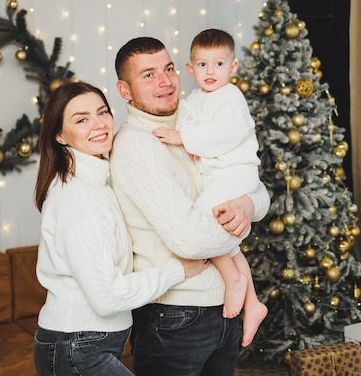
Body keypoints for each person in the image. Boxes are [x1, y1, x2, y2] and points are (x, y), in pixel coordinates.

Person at [110, 37, 270, 376]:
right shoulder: (136, 146)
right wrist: (246, 216)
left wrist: (246, 204)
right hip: (175, 316)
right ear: (125, 91)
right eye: (149, 75)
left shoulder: (198, 119)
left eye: (168, 69)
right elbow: (192, 242)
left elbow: (254, 183)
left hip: (222, 310)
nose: (166, 81)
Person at [32, 80, 209, 376]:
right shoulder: (79, 198)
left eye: (102, 112)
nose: (99, 125)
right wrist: (178, 269)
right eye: (81, 120)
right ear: (60, 136)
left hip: (86, 343)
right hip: (76, 346)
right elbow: (108, 296)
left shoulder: (95, 185)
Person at [151, 29, 267, 327]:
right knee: (224, 234)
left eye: (219, 63)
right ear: (190, 69)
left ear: (233, 67)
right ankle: (253, 304)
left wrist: (183, 138)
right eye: (202, 65)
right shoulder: (194, 99)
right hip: (217, 176)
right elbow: (187, 120)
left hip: (236, 172)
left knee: (202, 220)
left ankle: (233, 279)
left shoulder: (231, 97)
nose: (210, 71)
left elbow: (229, 131)